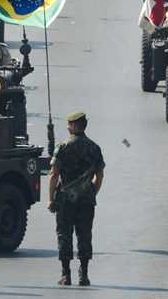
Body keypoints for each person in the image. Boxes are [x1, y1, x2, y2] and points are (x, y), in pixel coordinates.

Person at [47, 111, 105, 287]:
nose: (67, 127)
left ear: (73, 126)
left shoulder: (63, 146)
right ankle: (84, 274)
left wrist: (51, 199)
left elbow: (53, 174)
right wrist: (91, 192)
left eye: (68, 124)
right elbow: (100, 175)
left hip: (66, 198)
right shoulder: (94, 147)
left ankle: (66, 274)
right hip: (86, 198)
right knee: (85, 234)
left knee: (65, 234)